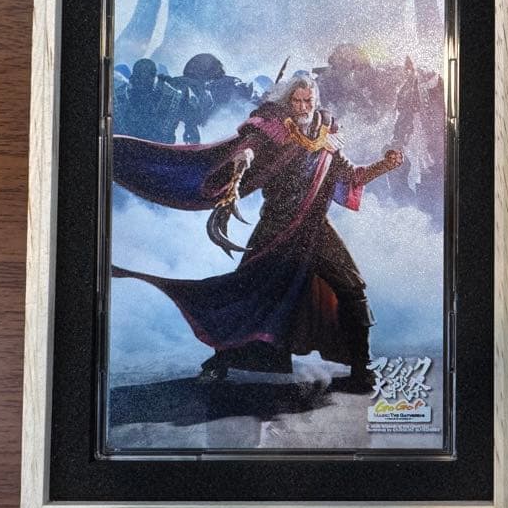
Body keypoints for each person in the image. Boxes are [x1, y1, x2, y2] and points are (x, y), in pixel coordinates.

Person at [112, 75, 403, 390]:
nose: (302, 107)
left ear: (315, 101)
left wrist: (385, 165)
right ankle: (221, 360)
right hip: (277, 228)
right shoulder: (272, 128)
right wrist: (245, 157)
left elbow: (352, 176)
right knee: (249, 292)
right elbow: (251, 146)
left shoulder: (326, 134)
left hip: (314, 227)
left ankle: (362, 368)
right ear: (287, 101)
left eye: (308, 101)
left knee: (352, 288)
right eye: (296, 101)